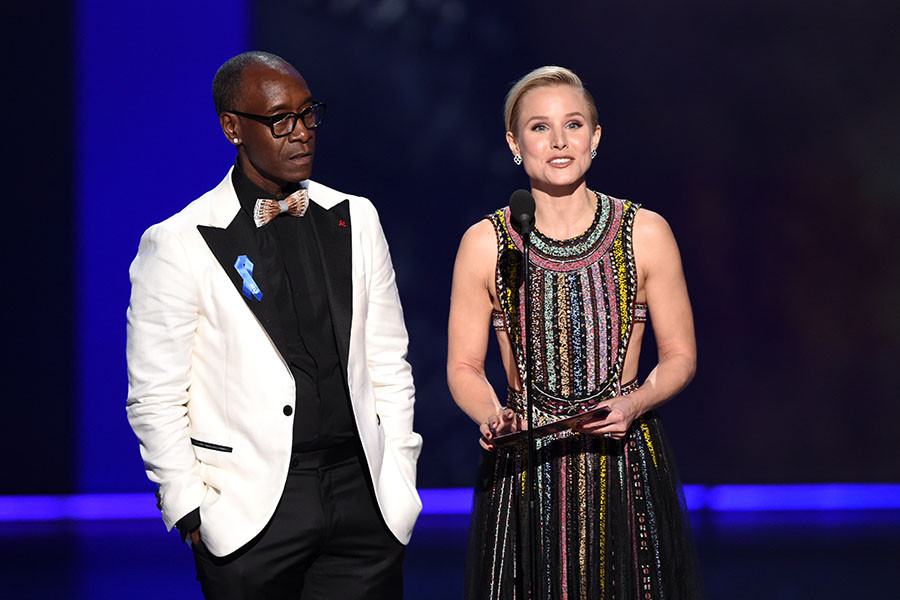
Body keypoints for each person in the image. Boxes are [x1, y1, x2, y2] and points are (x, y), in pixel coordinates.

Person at [126, 51, 421, 599]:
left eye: (308, 114)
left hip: (362, 498)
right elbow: (155, 395)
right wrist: (190, 507)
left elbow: (387, 359)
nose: (302, 132)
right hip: (249, 513)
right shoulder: (179, 242)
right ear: (233, 128)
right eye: (281, 120)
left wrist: (399, 472)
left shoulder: (356, 218)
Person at [447, 66, 702, 598]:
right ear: (514, 144)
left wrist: (634, 404)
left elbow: (680, 355)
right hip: (525, 473)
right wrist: (494, 417)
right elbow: (464, 367)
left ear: (595, 136)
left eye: (574, 124)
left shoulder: (645, 232)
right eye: (540, 127)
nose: (559, 141)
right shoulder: (487, 242)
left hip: (623, 467)